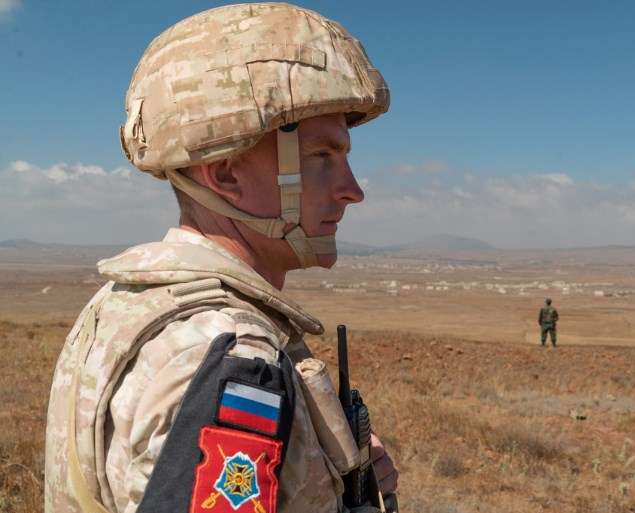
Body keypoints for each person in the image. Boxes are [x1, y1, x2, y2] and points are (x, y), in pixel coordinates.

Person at [44, 4, 397, 513]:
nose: (352, 190)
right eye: (322, 157)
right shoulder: (229, 359)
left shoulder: (126, 304)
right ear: (227, 174)